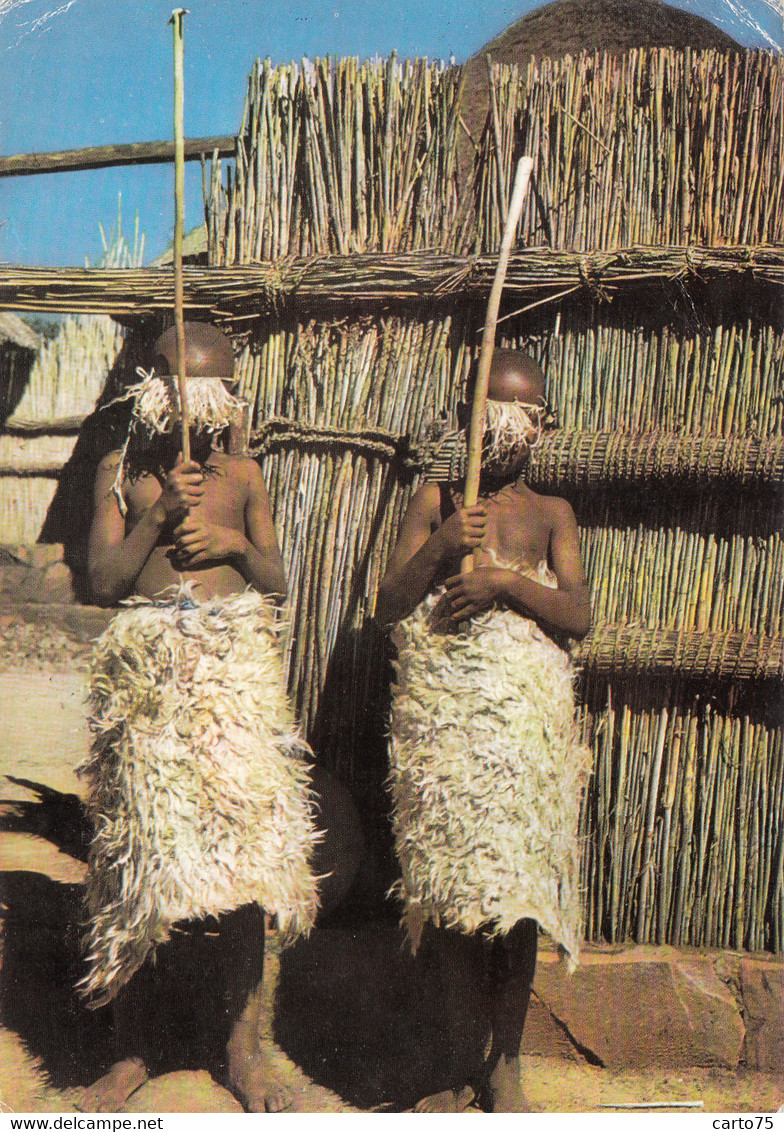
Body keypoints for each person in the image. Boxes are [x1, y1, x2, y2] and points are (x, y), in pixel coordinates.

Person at [77, 322, 362, 1112]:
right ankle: (130, 1047)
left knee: (240, 862)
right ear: (150, 394)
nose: (190, 420)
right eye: (177, 400)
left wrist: (232, 538)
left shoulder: (242, 473)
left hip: (231, 676)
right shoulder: (120, 471)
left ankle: (242, 1046)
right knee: (140, 860)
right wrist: (156, 515)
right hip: (150, 675)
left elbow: (275, 580)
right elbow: (103, 580)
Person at [375, 347, 592, 1113]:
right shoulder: (436, 502)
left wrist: (503, 581)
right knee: (457, 890)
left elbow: (581, 615)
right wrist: (441, 546)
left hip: (522, 727)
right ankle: (459, 1053)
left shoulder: (550, 514)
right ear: (463, 421)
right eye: (487, 417)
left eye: (521, 418)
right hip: (451, 726)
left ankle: (505, 1066)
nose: (504, 435)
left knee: (516, 894)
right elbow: (388, 603)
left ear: (542, 426)